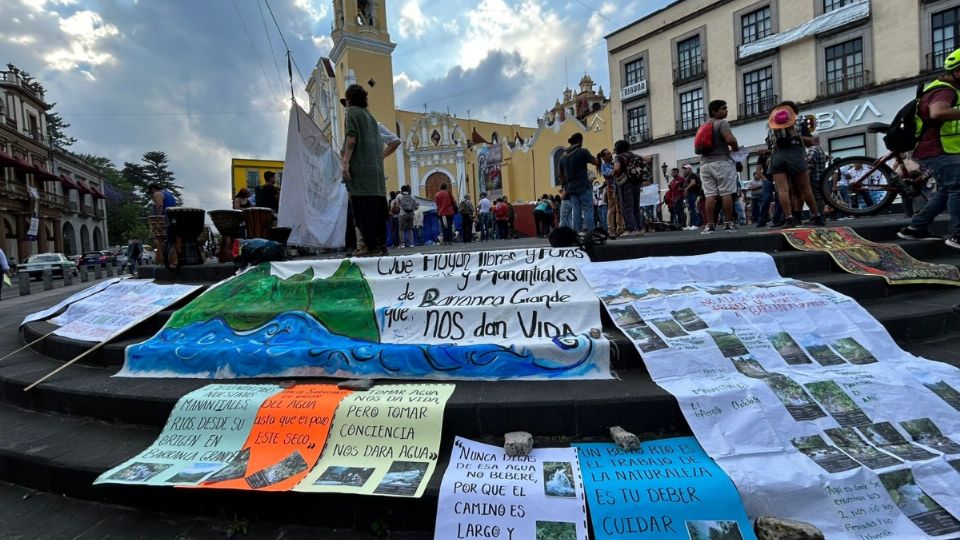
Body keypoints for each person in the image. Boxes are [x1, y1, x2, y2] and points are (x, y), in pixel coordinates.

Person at [898, 48, 960, 248]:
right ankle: (958, 235)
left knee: (944, 190)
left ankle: (916, 228)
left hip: (939, 149)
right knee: (958, 187)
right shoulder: (945, 90)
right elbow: (937, 112)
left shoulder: (945, 88)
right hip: (938, 149)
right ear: (957, 71)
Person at [340, 84, 388, 256]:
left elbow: (351, 138)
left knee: (361, 210)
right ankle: (378, 245)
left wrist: (345, 163)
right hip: (376, 174)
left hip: (361, 170)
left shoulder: (352, 112)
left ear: (349, 99)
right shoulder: (371, 117)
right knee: (375, 209)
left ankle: (368, 246)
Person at [766, 101, 825, 228]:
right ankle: (816, 216)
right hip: (796, 155)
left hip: (777, 156)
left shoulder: (771, 123)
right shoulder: (799, 120)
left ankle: (789, 218)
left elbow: (770, 144)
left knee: (782, 190)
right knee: (806, 189)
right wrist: (797, 136)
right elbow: (810, 142)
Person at [697, 100, 740, 234]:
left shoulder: (703, 126)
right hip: (721, 162)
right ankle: (728, 224)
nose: (726, 111)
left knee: (710, 195)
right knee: (726, 193)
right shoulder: (722, 123)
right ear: (714, 112)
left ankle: (710, 225)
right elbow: (731, 140)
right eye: (723, 109)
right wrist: (735, 148)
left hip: (705, 164)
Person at [558, 133, 598, 231]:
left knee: (576, 209)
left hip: (570, 187)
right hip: (583, 185)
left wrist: (565, 186)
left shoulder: (562, 157)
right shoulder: (582, 152)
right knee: (588, 207)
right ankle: (589, 230)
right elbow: (595, 162)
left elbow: (560, 175)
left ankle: (577, 231)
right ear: (580, 141)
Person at [613, 139, 643, 235]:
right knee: (636, 206)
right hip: (636, 182)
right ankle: (640, 228)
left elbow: (617, 168)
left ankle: (630, 229)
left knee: (626, 206)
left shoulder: (619, 157)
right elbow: (647, 159)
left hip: (625, 183)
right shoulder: (634, 155)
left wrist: (614, 174)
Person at [682, 165, 702, 230]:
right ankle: (691, 225)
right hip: (689, 194)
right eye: (684, 169)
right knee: (690, 210)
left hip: (693, 194)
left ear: (690, 169)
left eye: (686, 169)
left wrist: (686, 189)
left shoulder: (692, 175)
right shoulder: (687, 176)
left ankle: (695, 224)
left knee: (693, 209)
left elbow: (693, 183)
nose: (684, 170)